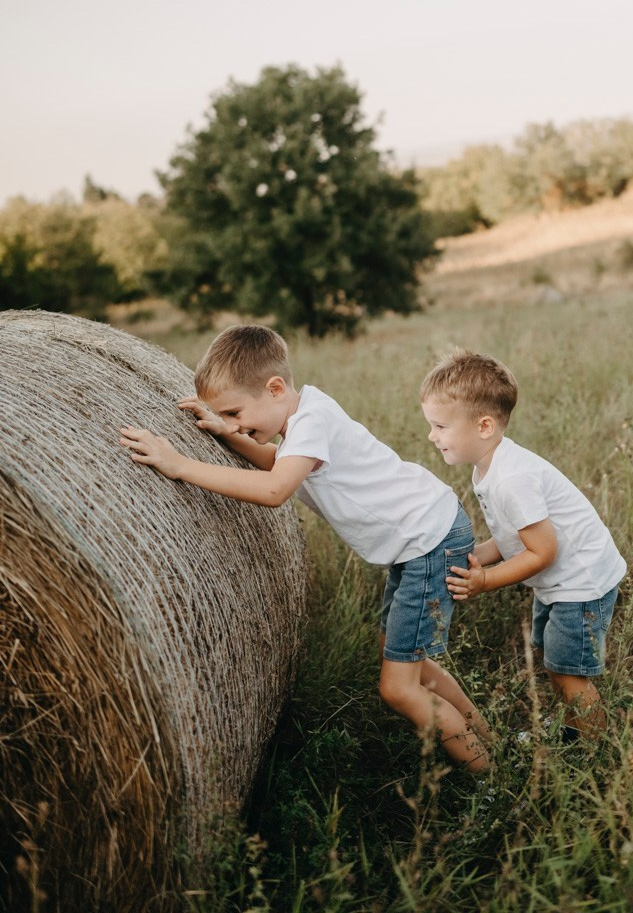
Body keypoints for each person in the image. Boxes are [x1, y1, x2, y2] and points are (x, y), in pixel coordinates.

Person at [120, 324, 490, 772]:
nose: (233, 423)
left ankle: (489, 780)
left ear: (275, 388)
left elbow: (275, 488)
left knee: (398, 688)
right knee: (407, 662)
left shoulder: (311, 422)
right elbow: (279, 462)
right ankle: (488, 741)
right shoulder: (304, 417)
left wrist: (180, 465)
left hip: (429, 542)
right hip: (423, 537)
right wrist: (229, 432)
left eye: (235, 412)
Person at [420, 348, 626, 739]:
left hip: (582, 581)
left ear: (484, 426)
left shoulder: (511, 479)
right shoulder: (489, 468)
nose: (432, 435)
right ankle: (571, 726)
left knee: (570, 672)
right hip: (560, 582)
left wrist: (485, 580)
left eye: (440, 426)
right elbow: (513, 535)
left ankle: (594, 747)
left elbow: (543, 551)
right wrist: (474, 556)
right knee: (554, 659)